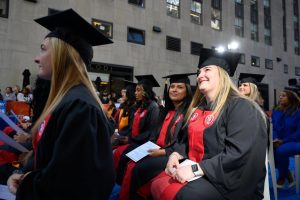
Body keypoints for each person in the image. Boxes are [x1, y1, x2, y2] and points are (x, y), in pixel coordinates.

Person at [7, 9, 115, 200]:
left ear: (62, 55)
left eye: (43, 49)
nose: (36, 58)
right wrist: (26, 175)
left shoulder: (80, 107)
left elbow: (69, 185)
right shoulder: (64, 100)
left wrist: (26, 185)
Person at [150, 48, 268, 200]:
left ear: (222, 75)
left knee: (184, 195)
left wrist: (196, 168)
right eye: (199, 72)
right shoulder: (198, 109)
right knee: (156, 182)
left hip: (229, 180)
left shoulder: (242, 107)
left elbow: (239, 154)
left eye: (207, 70)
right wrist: (175, 154)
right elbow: (187, 141)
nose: (200, 75)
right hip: (201, 170)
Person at [128, 73, 194, 200]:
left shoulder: (189, 113)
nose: (174, 89)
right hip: (158, 148)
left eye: (180, 87)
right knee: (130, 160)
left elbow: (184, 142)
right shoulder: (166, 111)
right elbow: (155, 133)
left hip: (173, 155)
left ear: (188, 91)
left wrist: (163, 152)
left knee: (139, 169)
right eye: (172, 86)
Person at [114, 75, 160, 185]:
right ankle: (117, 183)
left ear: (146, 91)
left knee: (124, 157)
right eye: (135, 90)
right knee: (118, 153)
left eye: (138, 90)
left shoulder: (154, 107)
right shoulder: (140, 107)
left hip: (143, 143)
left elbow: (151, 132)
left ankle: (121, 185)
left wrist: (132, 139)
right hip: (135, 141)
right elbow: (132, 127)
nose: (135, 93)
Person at [272, 89, 300, 188]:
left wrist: (283, 140)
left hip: (295, 141)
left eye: (283, 96)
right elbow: (274, 127)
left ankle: (282, 176)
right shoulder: (276, 112)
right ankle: (287, 173)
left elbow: (299, 132)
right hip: (279, 141)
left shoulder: (298, 112)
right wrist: (275, 138)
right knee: (270, 150)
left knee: (280, 151)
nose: (280, 97)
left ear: (291, 98)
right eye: (280, 96)